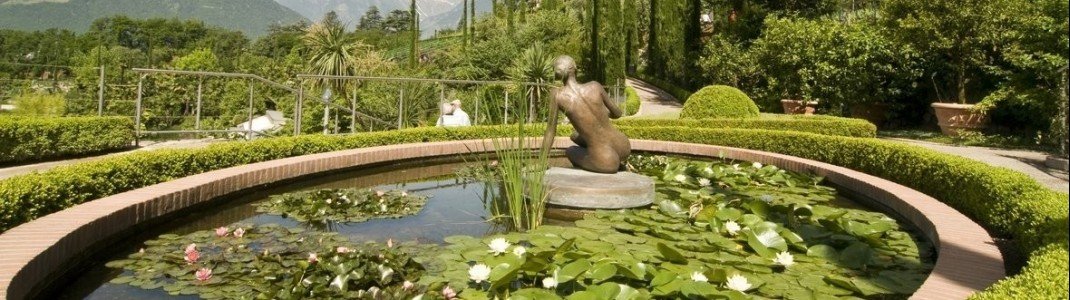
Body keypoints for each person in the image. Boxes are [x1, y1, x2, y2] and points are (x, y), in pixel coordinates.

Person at [542, 55, 630, 174]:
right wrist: (601, 114)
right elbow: (617, 113)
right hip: (623, 146)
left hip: (607, 162)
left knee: (570, 151)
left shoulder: (557, 95)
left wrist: (541, 162)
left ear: (556, 73)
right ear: (575, 68)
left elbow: (550, 131)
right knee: (574, 136)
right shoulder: (595, 86)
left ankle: (600, 159)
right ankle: (614, 158)